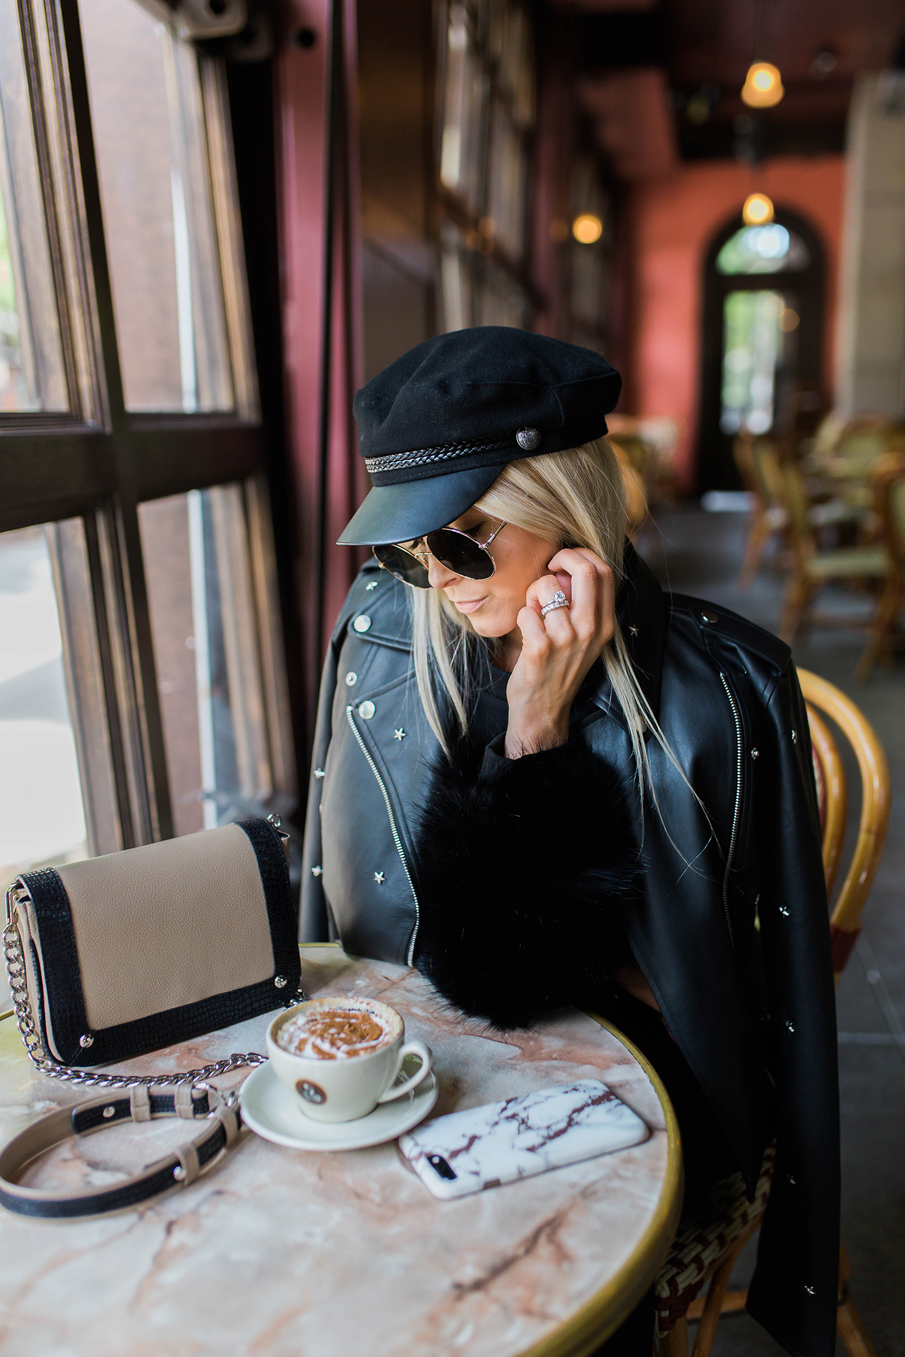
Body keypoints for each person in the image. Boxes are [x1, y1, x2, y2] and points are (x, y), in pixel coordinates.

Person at [300, 327, 839, 1357]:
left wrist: (533, 724)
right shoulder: (385, 628)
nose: (436, 577)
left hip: (606, 1085)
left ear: (563, 510)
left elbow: (508, 976)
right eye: (407, 545)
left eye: (459, 539)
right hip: (420, 1048)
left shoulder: (715, 692)